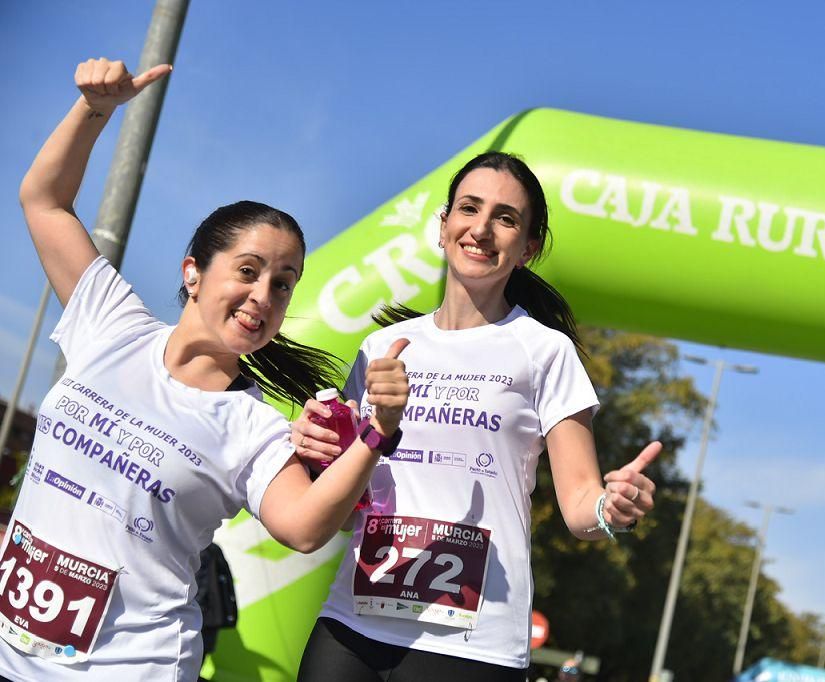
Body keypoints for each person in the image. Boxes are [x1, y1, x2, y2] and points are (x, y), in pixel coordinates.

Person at [0, 58, 409, 682]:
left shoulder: (253, 427)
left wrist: (377, 432)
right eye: (248, 271)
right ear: (194, 271)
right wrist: (95, 109)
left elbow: (302, 527)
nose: (263, 297)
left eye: (283, 284)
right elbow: (45, 200)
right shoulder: (112, 323)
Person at [291, 151, 661, 681]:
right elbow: (345, 500)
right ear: (444, 227)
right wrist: (312, 445)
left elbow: (581, 506)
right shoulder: (382, 348)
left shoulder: (544, 351)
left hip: (472, 643)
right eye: (469, 208)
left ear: (528, 248)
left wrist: (612, 507)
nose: (482, 229)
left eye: (506, 218)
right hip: (355, 622)